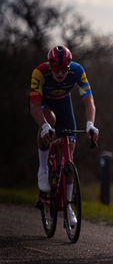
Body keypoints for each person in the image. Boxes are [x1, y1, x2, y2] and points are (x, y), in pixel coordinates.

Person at [29, 45, 99, 223]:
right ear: (50, 66)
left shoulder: (77, 70)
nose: (60, 73)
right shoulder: (39, 72)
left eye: (64, 69)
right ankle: (43, 170)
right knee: (50, 121)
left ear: (69, 67)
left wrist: (90, 124)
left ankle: (68, 207)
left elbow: (88, 101)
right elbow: (34, 107)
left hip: (63, 104)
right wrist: (44, 126)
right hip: (44, 104)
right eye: (56, 69)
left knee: (69, 152)